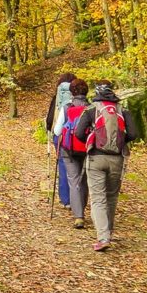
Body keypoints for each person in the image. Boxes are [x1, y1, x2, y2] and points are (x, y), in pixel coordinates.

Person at [74, 80, 138, 251]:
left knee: (98, 198)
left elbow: (78, 133)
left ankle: (103, 238)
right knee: (111, 197)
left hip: (96, 158)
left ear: (97, 93)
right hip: (117, 158)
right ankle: (108, 232)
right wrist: (120, 141)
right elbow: (133, 133)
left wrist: (92, 139)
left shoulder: (91, 109)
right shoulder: (123, 110)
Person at [53, 78, 90, 229]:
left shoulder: (67, 107)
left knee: (73, 180)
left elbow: (57, 131)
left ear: (71, 92)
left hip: (68, 149)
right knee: (84, 180)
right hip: (87, 148)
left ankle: (78, 216)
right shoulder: (92, 107)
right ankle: (82, 207)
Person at [46, 73, 76, 210]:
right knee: (77, 166)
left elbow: (49, 118)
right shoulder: (78, 96)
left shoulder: (57, 97)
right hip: (76, 135)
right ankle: (78, 198)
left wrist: (50, 130)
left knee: (63, 166)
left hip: (59, 136)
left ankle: (65, 199)